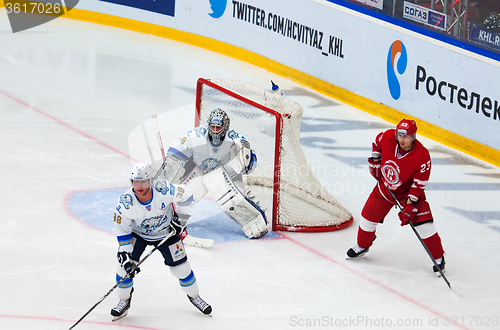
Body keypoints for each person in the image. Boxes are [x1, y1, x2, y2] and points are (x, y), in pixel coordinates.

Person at [111, 163, 212, 321]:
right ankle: (124, 300)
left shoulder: (163, 189)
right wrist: (124, 256)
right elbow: (123, 234)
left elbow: (186, 195)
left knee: (182, 270)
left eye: (143, 182)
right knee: (123, 271)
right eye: (135, 182)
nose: (138, 186)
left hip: (167, 233)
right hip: (139, 235)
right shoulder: (125, 204)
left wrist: (182, 220)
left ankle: (194, 296)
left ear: (151, 181)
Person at [347, 119, 446, 276]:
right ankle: (363, 245)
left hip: (407, 193)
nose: (401, 140)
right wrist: (375, 160)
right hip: (384, 188)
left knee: (425, 226)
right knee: (367, 218)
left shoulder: (422, 155)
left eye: (405, 137)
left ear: (413, 136)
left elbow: (419, 184)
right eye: (399, 135)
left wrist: (410, 205)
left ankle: (439, 258)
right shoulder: (387, 137)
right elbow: (377, 142)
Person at [158, 108, 268, 239]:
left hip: (226, 174)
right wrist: (169, 167)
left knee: (234, 198)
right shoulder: (196, 135)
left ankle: (252, 220)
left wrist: (247, 159)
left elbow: (250, 164)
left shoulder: (235, 139)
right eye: (212, 126)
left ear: (226, 126)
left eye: (218, 127)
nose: (215, 130)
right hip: (198, 169)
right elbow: (176, 151)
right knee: (183, 195)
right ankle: (165, 217)